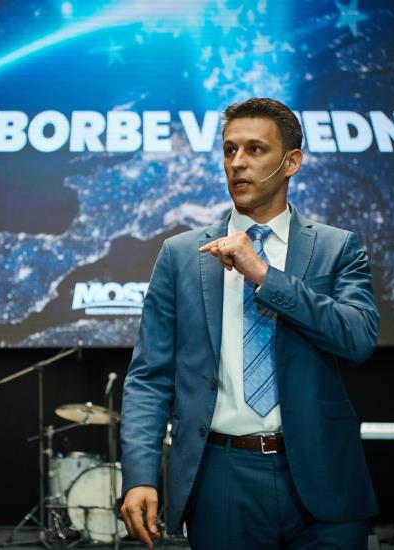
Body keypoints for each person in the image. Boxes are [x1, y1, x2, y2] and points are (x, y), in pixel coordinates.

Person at [119, 97, 379, 549]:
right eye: (229, 150)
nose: (238, 162)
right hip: (221, 475)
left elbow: (357, 338)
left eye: (255, 149)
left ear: (291, 162)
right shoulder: (181, 255)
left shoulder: (337, 248)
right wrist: (140, 475)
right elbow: (148, 378)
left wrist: (263, 274)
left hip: (323, 473)